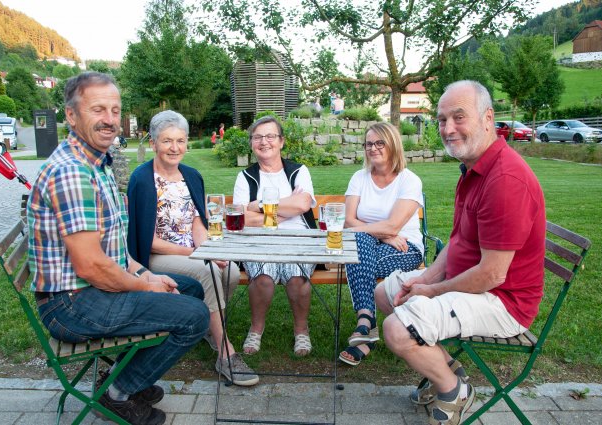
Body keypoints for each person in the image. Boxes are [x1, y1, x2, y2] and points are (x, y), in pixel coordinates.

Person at [27, 72, 210, 425]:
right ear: (71, 115)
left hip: (87, 292)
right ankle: (118, 392)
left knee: (190, 288)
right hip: (72, 304)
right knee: (194, 317)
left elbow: (114, 250)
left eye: (115, 110)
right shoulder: (72, 172)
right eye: (98, 109)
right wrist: (146, 286)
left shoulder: (98, 165)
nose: (110, 119)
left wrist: (145, 272)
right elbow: (92, 267)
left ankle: (130, 378)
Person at [374, 80, 546, 424]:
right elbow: (459, 243)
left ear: (487, 118)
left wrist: (432, 290)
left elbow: (492, 274)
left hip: (503, 301)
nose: (447, 128)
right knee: (385, 292)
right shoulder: (474, 169)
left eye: (458, 117)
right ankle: (448, 370)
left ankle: (454, 390)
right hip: (473, 284)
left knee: (396, 329)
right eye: (441, 120)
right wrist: (424, 278)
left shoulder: (505, 180)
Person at [127, 110, 258, 387]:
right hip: (157, 255)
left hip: (192, 252)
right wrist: (198, 255)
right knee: (207, 273)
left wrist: (206, 248)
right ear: (153, 143)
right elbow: (147, 240)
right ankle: (225, 351)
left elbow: (198, 221)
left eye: (180, 141)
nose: (174, 148)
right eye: (166, 141)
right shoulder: (141, 179)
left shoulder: (191, 176)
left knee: (231, 273)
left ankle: (206, 327)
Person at [338, 122, 424, 367]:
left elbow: (393, 226)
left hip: (405, 248)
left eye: (379, 143)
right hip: (378, 242)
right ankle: (366, 323)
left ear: (393, 145)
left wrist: (386, 232)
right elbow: (348, 219)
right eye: (368, 144)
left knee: (359, 256)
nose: (373, 148)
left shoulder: (409, 181)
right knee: (360, 241)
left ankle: (365, 329)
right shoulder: (359, 178)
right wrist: (384, 234)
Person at [233, 116, 317, 357]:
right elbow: (241, 219)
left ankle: (301, 331)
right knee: (263, 277)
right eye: (257, 137)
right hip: (257, 240)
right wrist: (283, 212)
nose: (264, 141)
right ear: (251, 143)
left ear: (281, 142)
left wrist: (257, 204)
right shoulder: (245, 177)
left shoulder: (298, 171)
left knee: (296, 276)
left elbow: (302, 204)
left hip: (298, 239)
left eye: (270, 136)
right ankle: (256, 329)